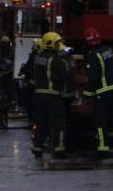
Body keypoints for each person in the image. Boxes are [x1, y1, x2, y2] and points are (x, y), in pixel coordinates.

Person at [83, 27, 113, 159]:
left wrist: (87, 93)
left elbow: (93, 77)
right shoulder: (107, 50)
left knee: (100, 123)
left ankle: (102, 150)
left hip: (102, 93)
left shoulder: (93, 55)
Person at [32, 31, 67, 159]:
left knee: (41, 124)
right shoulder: (56, 60)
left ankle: (37, 149)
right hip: (52, 96)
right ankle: (59, 150)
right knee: (58, 124)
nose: (59, 45)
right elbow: (63, 77)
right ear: (51, 43)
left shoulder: (38, 58)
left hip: (38, 96)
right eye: (57, 43)